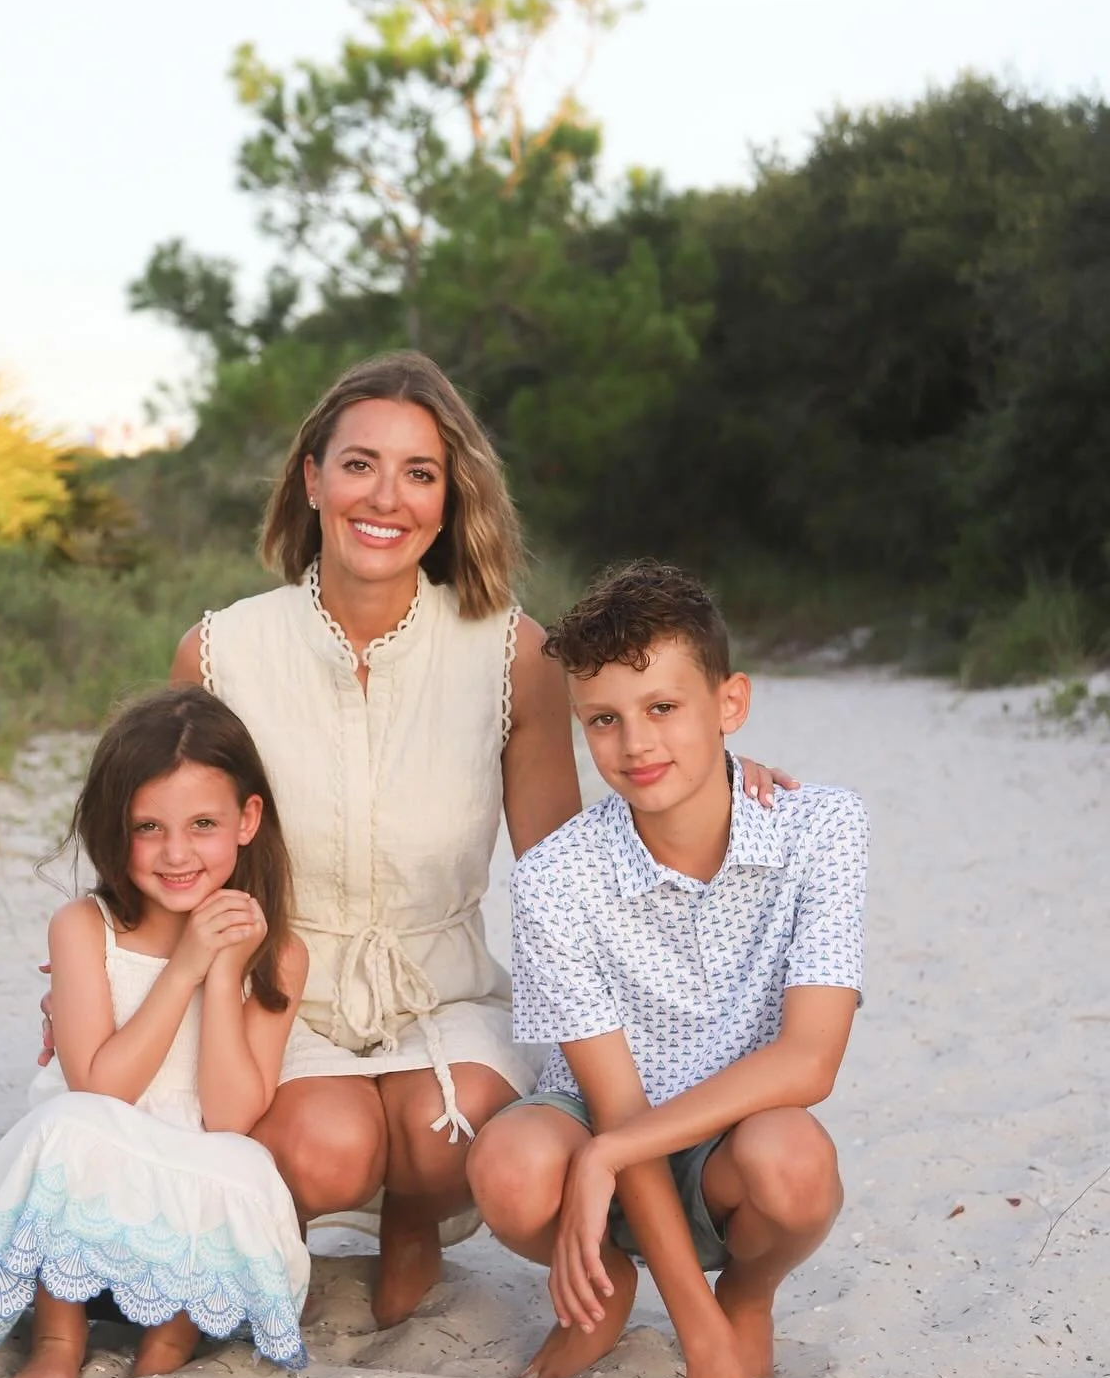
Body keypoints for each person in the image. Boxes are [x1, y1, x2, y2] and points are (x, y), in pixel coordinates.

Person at [39, 353, 790, 1328]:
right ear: (312, 480)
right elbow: (172, 827)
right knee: (323, 1148)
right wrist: (93, 975)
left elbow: (566, 860)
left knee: (449, 1137)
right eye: (359, 465)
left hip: (447, 984)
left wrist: (722, 780)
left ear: (449, 499)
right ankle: (285, 1223)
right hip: (284, 989)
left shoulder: (509, 652)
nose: (385, 496)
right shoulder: (221, 649)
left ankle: (414, 1219)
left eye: (420, 473)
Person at [467, 560, 866, 1378]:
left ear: (730, 703)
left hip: (733, 1127)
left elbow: (810, 1061)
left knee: (795, 1160)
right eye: (603, 719)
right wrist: (699, 1349)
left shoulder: (824, 828)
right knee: (511, 1164)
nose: (634, 744)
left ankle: (749, 1297)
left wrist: (719, 1328)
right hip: (601, 1115)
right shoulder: (558, 875)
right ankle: (609, 1289)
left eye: (662, 708)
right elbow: (614, 1110)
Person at [0, 687, 310, 1378]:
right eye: (149, 827)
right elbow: (101, 1086)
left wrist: (220, 967)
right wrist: (182, 967)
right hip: (81, 1209)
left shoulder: (280, 952)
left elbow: (233, 1111)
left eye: (203, 824)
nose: (177, 853)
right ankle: (58, 1338)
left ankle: (167, 1345)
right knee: (72, 1129)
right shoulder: (85, 926)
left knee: (241, 1164)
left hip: (184, 1230)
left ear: (247, 820)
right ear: (116, 829)